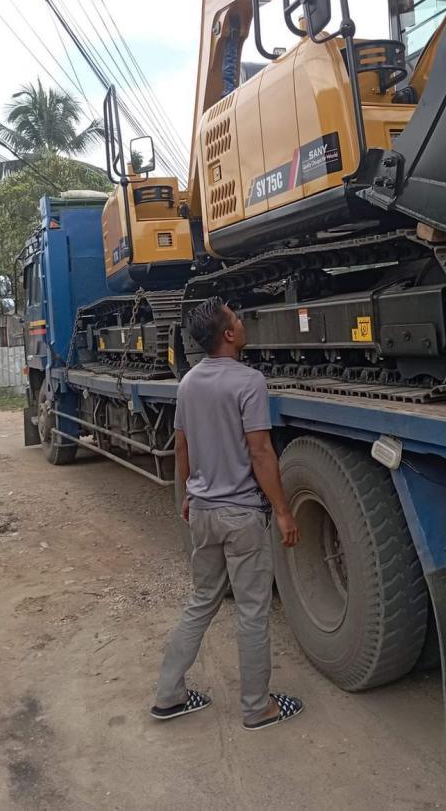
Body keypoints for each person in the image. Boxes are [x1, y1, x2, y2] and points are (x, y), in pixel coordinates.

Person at [150, 296, 303, 731]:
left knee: (202, 600)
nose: (242, 319)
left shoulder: (188, 383)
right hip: (240, 515)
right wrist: (283, 511)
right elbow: (260, 451)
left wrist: (187, 493)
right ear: (230, 334)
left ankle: (168, 696)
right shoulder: (249, 381)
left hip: (202, 511)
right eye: (237, 317)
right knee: (252, 610)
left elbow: (182, 447)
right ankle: (257, 707)